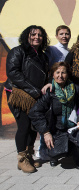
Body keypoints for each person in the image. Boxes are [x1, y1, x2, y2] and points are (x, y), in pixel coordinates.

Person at [5, 25, 49, 173]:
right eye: (33, 34)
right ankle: (21, 159)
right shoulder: (18, 51)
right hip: (19, 94)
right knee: (23, 125)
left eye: (40, 35)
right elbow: (13, 72)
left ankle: (29, 156)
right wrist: (33, 90)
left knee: (32, 127)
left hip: (35, 96)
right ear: (27, 36)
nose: (37, 37)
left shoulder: (42, 55)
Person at [29, 62, 79, 168]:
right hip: (56, 129)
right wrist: (46, 132)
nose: (60, 75)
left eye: (63, 72)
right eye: (57, 72)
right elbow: (34, 112)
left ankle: (76, 154)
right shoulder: (49, 92)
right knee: (58, 151)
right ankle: (54, 155)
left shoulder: (76, 89)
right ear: (53, 75)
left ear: (68, 74)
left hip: (73, 127)